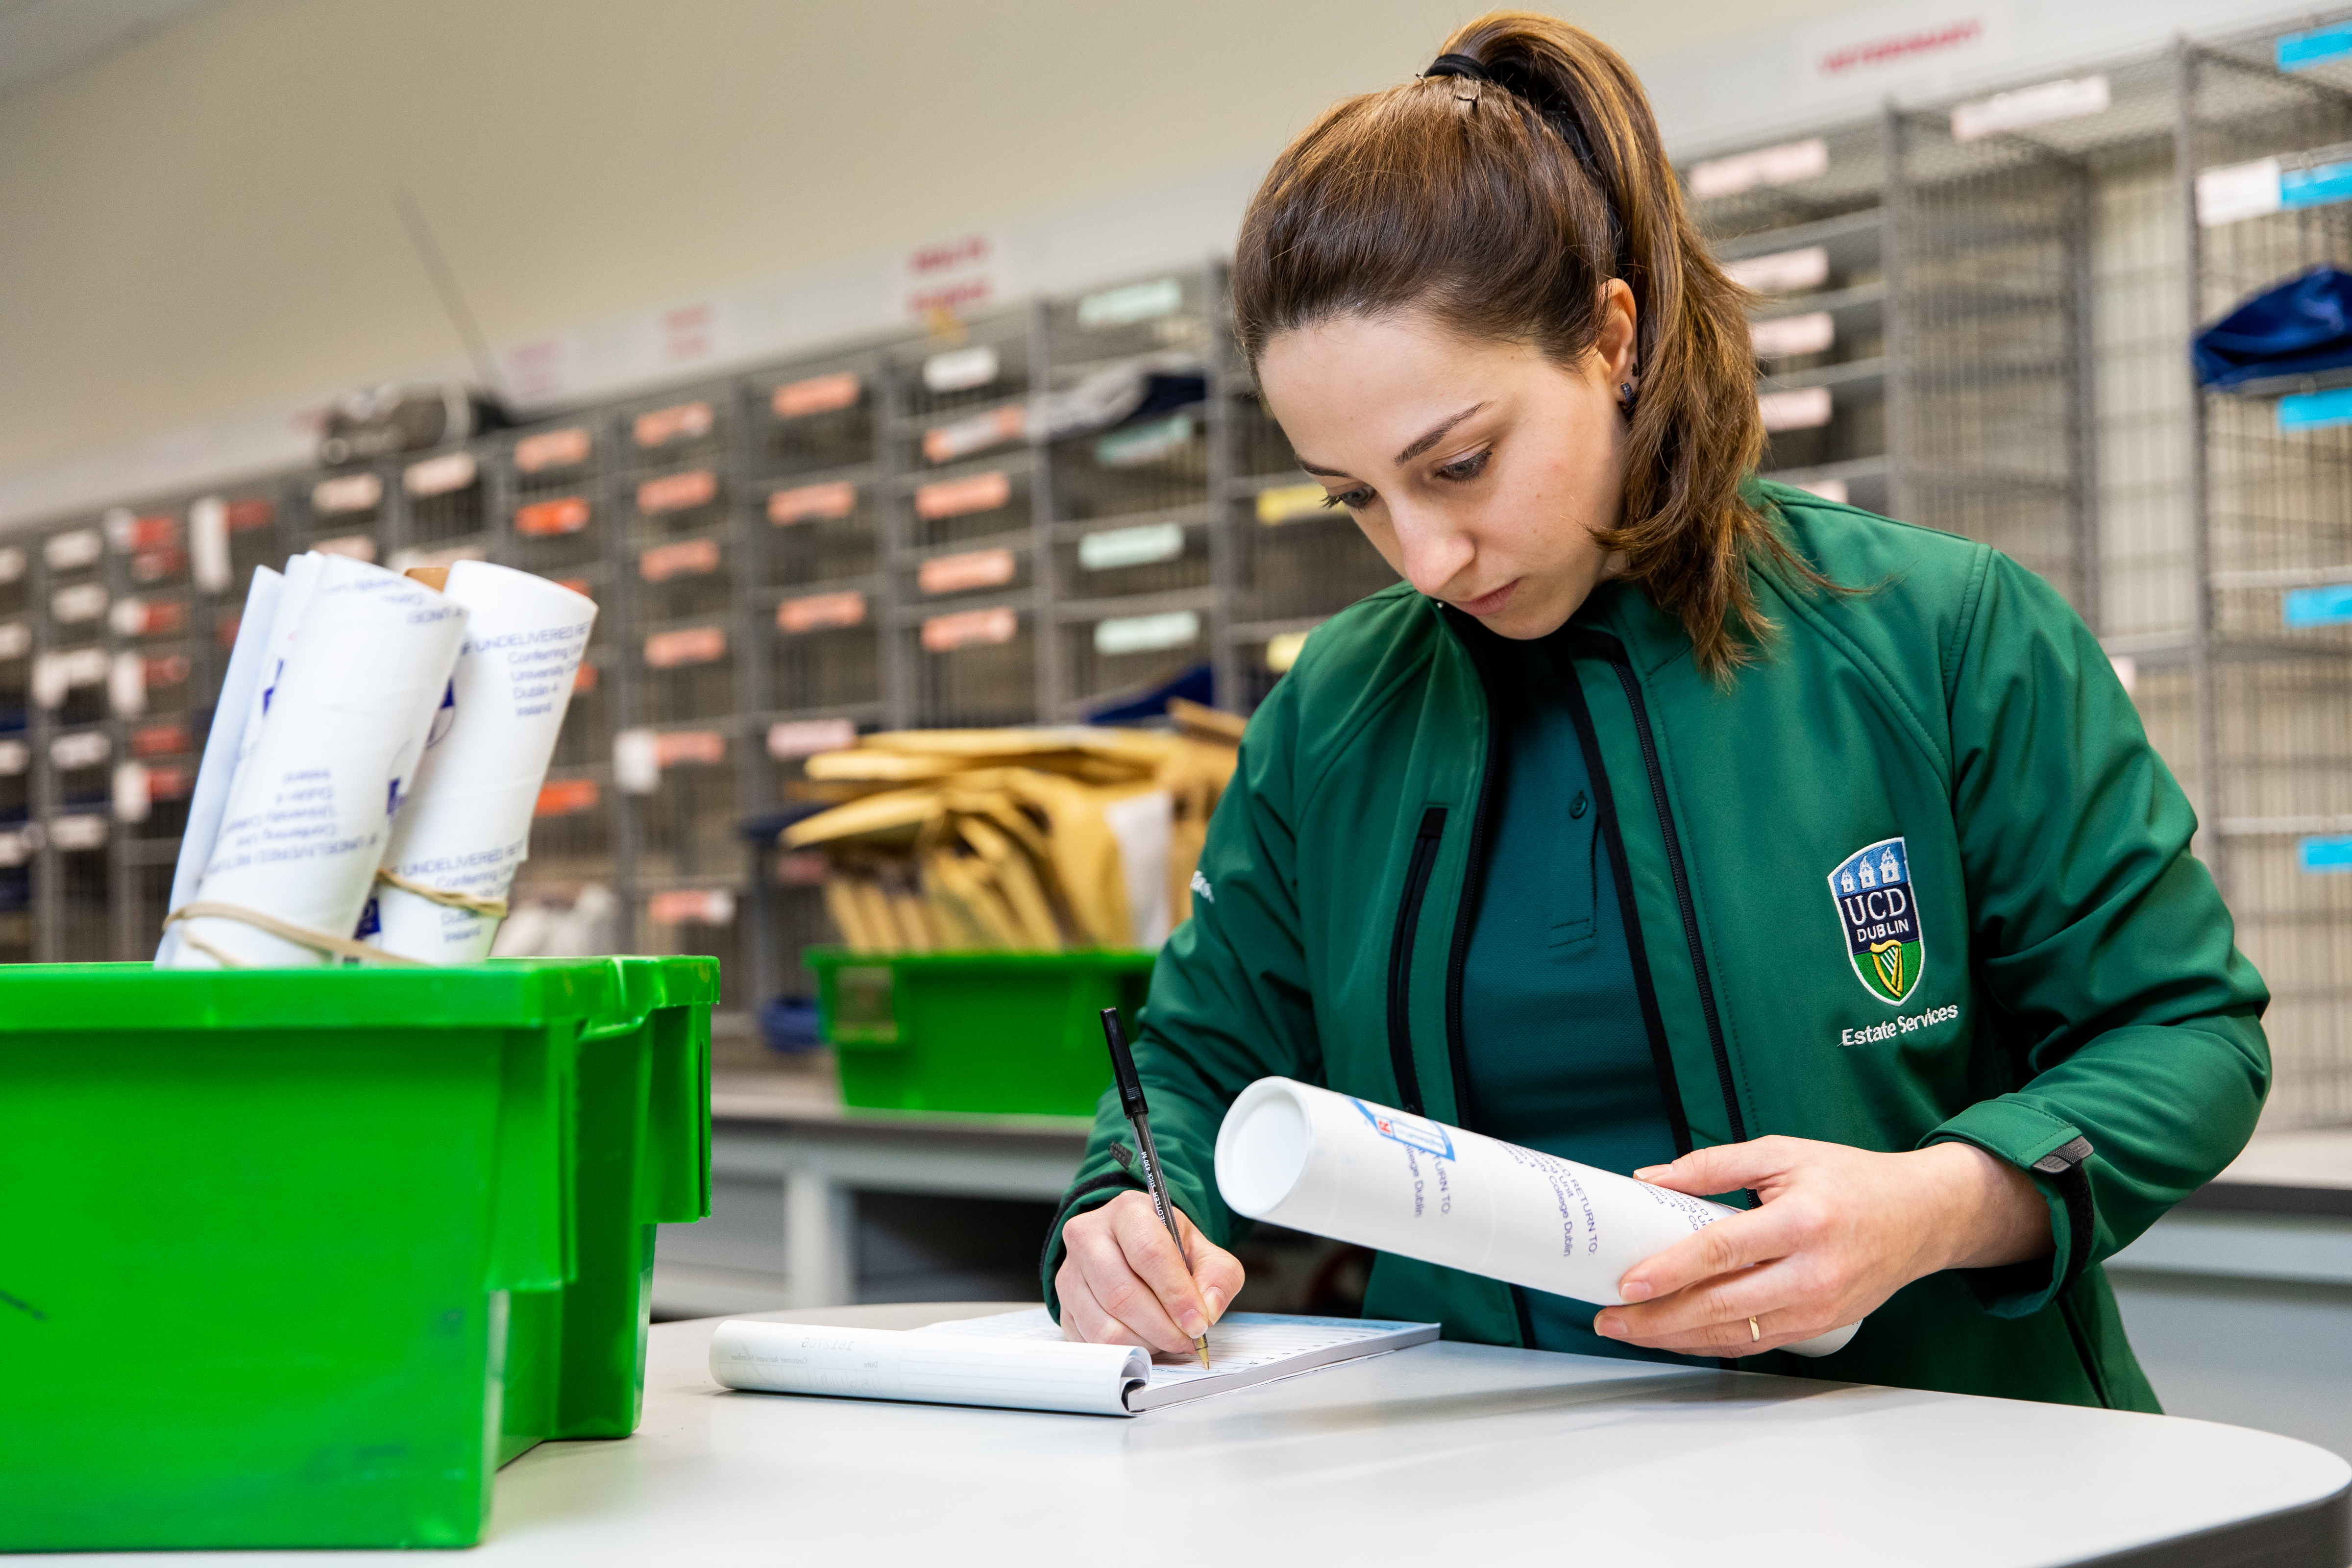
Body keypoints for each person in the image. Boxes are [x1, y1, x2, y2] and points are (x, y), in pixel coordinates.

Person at [1043, 11, 2269, 1407]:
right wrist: (1120, 1222)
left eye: (1458, 463)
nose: (1424, 560)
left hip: (1944, 1456)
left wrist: (1938, 1203)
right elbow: (1198, 1064)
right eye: (1356, 500)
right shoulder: (1336, 710)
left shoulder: (1938, 633)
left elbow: (2185, 1035)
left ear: (1613, 339)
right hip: (1490, 1477)